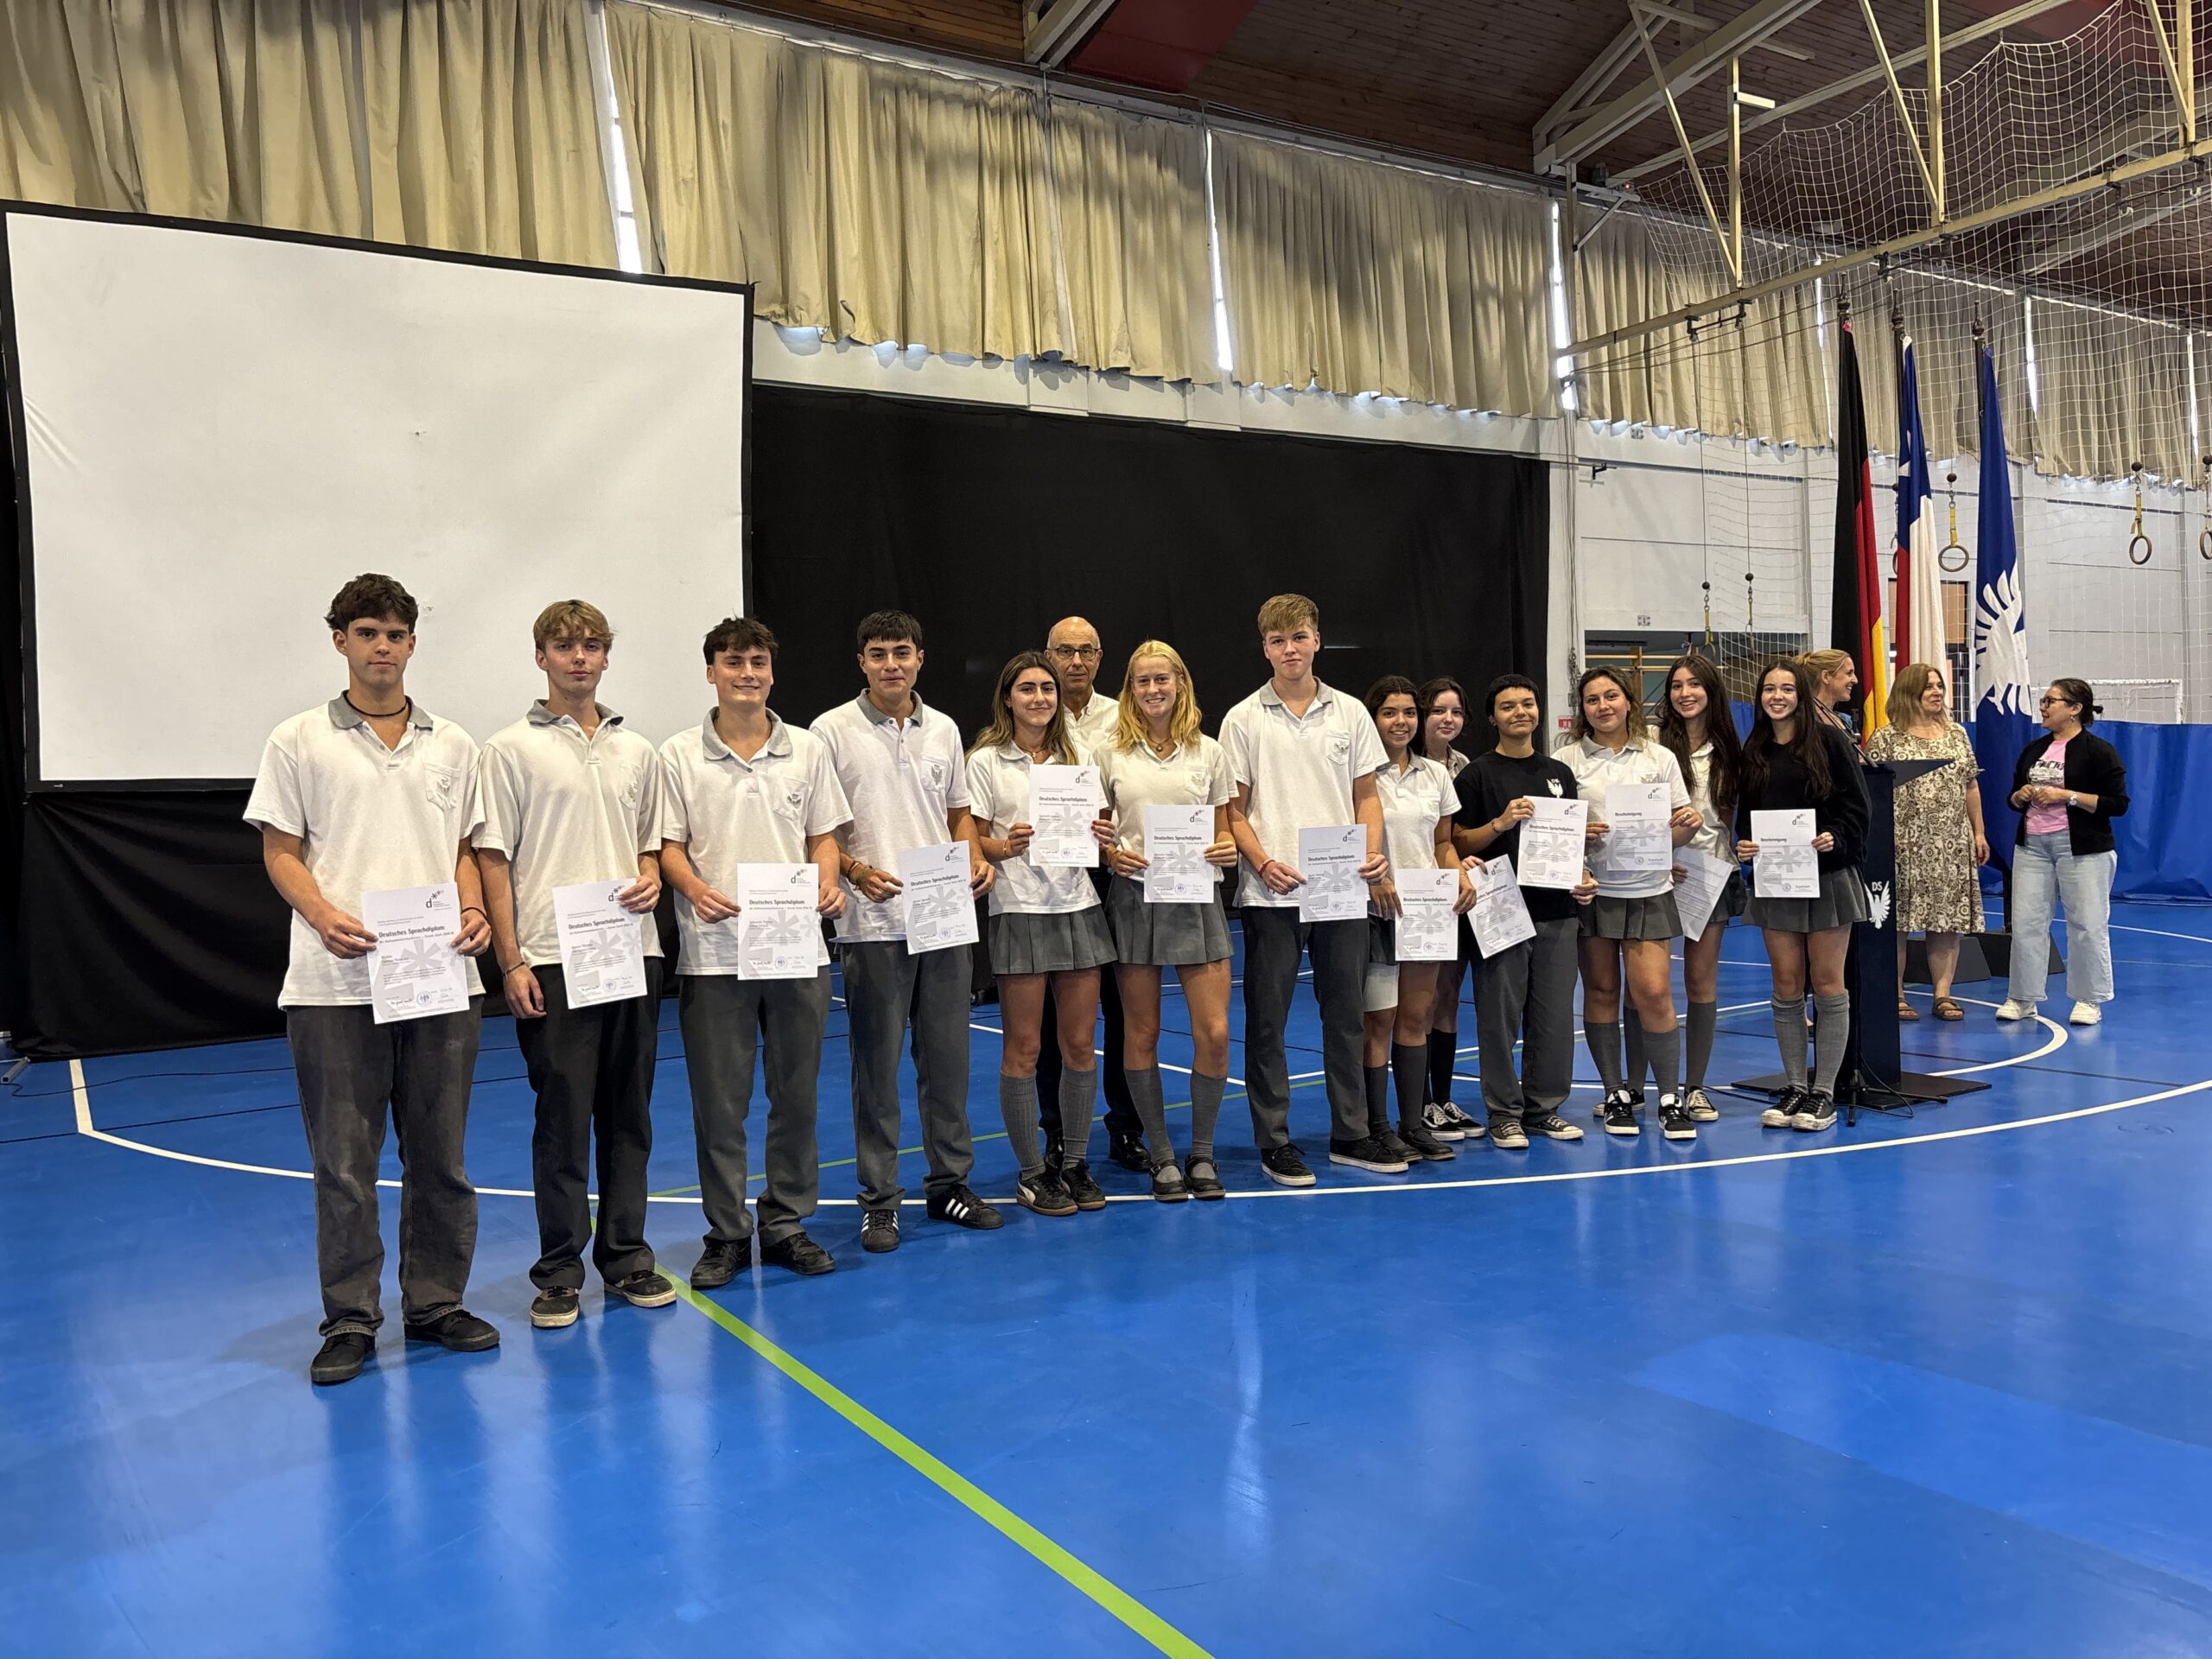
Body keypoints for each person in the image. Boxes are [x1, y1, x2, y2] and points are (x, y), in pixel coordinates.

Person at [247, 573, 499, 1386]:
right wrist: (322, 915)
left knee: (442, 1158)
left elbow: (465, 849)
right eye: (367, 633)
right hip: (334, 984)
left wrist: (472, 907)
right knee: (346, 1167)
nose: (382, 647)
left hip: (439, 977)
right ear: (341, 642)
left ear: (412, 644)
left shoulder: (453, 743)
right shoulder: (297, 739)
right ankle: (351, 1319)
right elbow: (280, 850)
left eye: (395, 634)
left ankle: (436, 1303)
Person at [477, 600, 672, 1329]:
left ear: (606, 657)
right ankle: (559, 1271)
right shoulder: (507, 750)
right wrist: (511, 960)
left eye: (591, 645)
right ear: (542, 658)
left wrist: (650, 874)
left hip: (630, 952)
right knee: (561, 1119)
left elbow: (651, 842)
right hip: (553, 960)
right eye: (564, 646)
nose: (579, 657)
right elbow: (492, 861)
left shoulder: (637, 750)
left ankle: (626, 1257)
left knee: (629, 1114)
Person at [658, 616, 849, 1285]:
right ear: (711, 671)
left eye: (758, 662)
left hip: (796, 950)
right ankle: (727, 1234)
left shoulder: (807, 750)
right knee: (721, 1105)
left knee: (796, 1097)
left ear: (772, 671)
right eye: (734, 662)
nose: (747, 674)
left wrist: (828, 881)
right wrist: (694, 889)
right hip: (714, 954)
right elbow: (668, 848)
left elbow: (823, 836)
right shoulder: (678, 754)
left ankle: (786, 1222)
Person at [813, 610, 1002, 1252]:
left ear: (920, 657)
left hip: (942, 919)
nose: (891, 664)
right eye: (878, 653)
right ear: (861, 662)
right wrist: (855, 870)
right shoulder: (830, 731)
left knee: (947, 1065)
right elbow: (817, 830)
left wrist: (973, 857)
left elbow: (959, 814)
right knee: (877, 1071)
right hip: (871, 924)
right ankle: (880, 1200)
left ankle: (950, 1184)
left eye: (901, 651)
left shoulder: (943, 729)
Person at [1221, 594, 1397, 1183]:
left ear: (1317, 640)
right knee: (1267, 1021)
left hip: (1341, 889)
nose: (1289, 649)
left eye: (1298, 637)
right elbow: (1233, 810)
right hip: (1271, 893)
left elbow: (1367, 796)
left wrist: (1372, 853)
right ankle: (1274, 1141)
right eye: (1278, 641)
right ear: (1265, 648)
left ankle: (1351, 1133)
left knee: (1346, 1016)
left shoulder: (1350, 713)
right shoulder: (1243, 718)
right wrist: (1262, 861)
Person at [967, 652, 1120, 1217]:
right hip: (1019, 909)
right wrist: (1003, 846)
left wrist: (1104, 835)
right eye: (1027, 689)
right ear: (1008, 698)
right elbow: (972, 839)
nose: (1039, 698)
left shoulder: (1078, 757)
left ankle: (1074, 1162)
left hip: (1078, 907)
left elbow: (1101, 828)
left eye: (1047, 689)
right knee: (1025, 1048)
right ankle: (1033, 1173)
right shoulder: (985, 761)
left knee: (1079, 1044)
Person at [1093, 641, 1238, 1200]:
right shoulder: (1109, 753)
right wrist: (1111, 854)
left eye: (1162, 679)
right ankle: (1160, 1155)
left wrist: (1226, 847)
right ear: (1130, 689)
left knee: (1215, 1033)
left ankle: (1201, 1152)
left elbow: (1224, 826)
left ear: (1180, 682)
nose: (1153, 689)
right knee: (1142, 1032)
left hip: (1197, 901)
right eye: (1142, 681)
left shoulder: (1210, 751)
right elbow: (1097, 831)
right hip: (1135, 900)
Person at [1451, 675, 1599, 1148]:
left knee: (1553, 1018)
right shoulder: (1476, 775)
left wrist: (1583, 874)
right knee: (1499, 1019)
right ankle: (1503, 1113)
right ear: (1492, 717)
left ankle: (1543, 1108)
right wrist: (1500, 823)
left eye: (1528, 704)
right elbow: (1456, 841)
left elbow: (1569, 842)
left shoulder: (1559, 773)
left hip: (1557, 910)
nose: (1520, 712)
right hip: (1501, 911)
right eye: (1508, 706)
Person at [1560, 667, 1702, 1140]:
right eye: (1592, 699)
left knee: (1653, 994)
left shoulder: (1659, 757)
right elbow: (1554, 833)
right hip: (1594, 893)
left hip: (1649, 891)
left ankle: (1669, 1098)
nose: (1603, 706)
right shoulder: (1566, 762)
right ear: (1582, 710)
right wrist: (1577, 835)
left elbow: (1677, 831)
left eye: (1611, 696)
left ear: (1628, 702)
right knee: (1601, 993)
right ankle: (1615, 1093)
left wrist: (1687, 825)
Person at [1735, 658, 1872, 1133]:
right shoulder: (1754, 748)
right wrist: (1746, 844)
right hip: (1777, 880)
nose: (1777, 696)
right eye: (1769, 689)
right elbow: (1747, 816)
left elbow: (1858, 809)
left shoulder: (1831, 741)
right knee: (1787, 985)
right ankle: (1795, 1085)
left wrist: (1837, 837)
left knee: (1829, 984)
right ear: (1760, 697)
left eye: (1787, 689)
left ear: (1801, 695)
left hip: (1828, 878)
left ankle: (1824, 1092)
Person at [1039, 614, 1146, 1173]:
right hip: (1053, 877)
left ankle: (1126, 1128)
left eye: (1086, 651)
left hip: (1114, 874)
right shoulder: (1032, 713)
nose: (1076, 661)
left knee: (1123, 1009)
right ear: (1048, 655)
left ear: (1101, 657)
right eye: (1065, 651)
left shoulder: (1125, 715)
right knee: (1055, 1017)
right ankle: (1057, 1132)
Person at [1359, 677, 1468, 1164]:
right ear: (1373, 719)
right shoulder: (1359, 774)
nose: (1400, 722)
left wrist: (1457, 873)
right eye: (1389, 712)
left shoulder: (1436, 775)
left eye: (1408, 712)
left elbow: (1442, 843)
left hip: (1426, 911)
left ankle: (1412, 1124)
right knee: (1379, 1020)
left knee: (1417, 1017)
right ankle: (1377, 1127)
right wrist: (1376, 878)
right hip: (1377, 911)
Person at [1997, 677, 2129, 1027]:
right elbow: (2013, 797)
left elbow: (2117, 804)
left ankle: (2089, 999)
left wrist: (2066, 796)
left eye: (2050, 701)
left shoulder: (2099, 751)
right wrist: (2020, 796)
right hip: (2033, 848)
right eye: (2043, 701)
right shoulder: (2034, 750)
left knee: (2087, 923)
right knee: (2026, 923)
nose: (2043, 707)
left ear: (2075, 709)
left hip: (2084, 850)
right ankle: (2022, 996)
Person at [1865, 663, 1988, 1022]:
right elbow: (1871, 792)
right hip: (1903, 843)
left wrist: (1978, 832)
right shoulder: (1886, 738)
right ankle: (1896, 994)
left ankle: (1943, 994)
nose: (1937, 692)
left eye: (1939, 686)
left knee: (1946, 922)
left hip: (1951, 841)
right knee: (1898, 922)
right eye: (1928, 686)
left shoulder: (1957, 734)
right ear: (1909, 692)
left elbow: (1971, 785)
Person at [1653, 654, 1748, 1120]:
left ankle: (1695, 1087)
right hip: (1655, 874)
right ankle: (1637, 1088)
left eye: (1694, 685)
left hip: (1710, 874)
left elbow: (1731, 818)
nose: (1685, 693)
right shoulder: (1652, 744)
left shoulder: (1731, 750)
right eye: (1676, 685)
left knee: (1699, 982)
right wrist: (1659, 857)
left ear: (1711, 691)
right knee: (1647, 986)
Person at [1414, 676, 1482, 1141]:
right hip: (1414, 895)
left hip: (1453, 894)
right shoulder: (1397, 761)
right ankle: (1417, 1102)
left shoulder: (1466, 767)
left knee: (1448, 996)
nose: (1448, 719)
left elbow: (1458, 837)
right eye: (1438, 710)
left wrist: (1465, 860)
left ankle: (1442, 1098)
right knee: (1417, 1002)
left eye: (1456, 712)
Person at [1799, 648, 1860, 738]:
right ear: (1826, 677)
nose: (1855, 680)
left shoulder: (1846, 721)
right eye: (1849, 673)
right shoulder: (1802, 720)